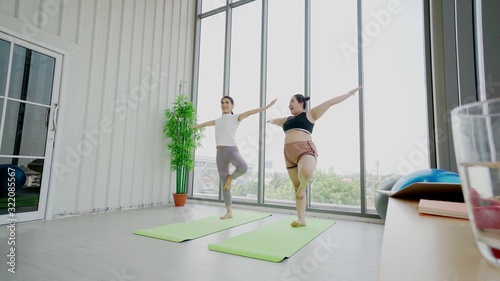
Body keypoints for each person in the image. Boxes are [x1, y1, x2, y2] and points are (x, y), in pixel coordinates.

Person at [267, 86, 362, 227]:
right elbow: (276, 120)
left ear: (301, 103)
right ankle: (301, 219)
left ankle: (303, 186)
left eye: (292, 101)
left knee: (306, 173)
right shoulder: (287, 119)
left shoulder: (309, 114)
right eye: (289, 103)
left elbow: (329, 103)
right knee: (296, 185)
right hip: (288, 153)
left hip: (305, 149)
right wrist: (270, 121)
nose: (289, 105)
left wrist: (348, 94)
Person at [192, 96, 277, 220]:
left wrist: (267, 107)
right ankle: (229, 212)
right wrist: (193, 127)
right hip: (220, 153)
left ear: (232, 105)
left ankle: (231, 178)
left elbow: (251, 112)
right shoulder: (218, 120)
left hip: (231, 150)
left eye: (227, 103)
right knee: (224, 184)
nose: (224, 105)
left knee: (243, 167)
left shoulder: (235, 117)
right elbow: (203, 124)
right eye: (222, 103)